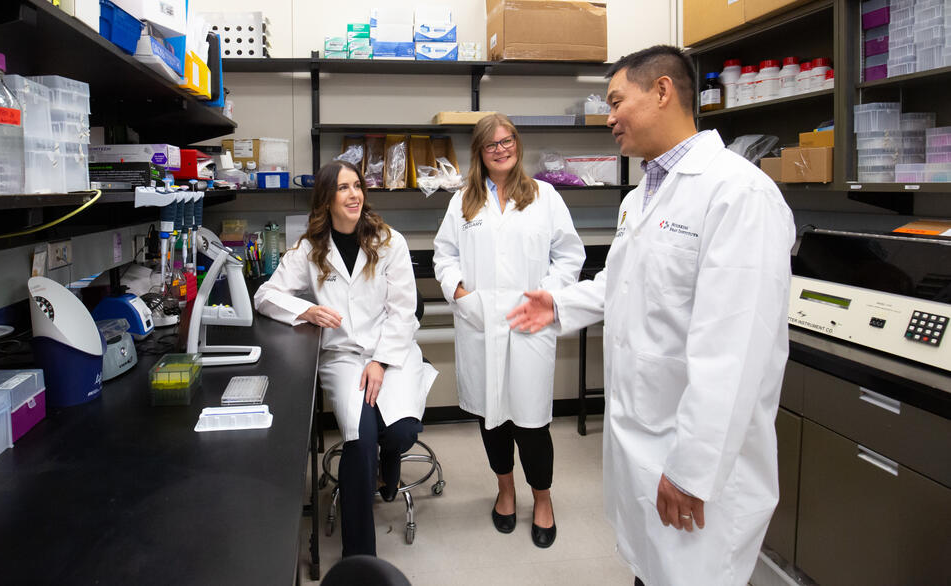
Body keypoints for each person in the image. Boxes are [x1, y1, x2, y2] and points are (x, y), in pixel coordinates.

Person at [506, 45, 795, 585]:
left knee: (691, 574)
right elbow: (627, 283)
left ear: (662, 91)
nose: (608, 116)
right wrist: (561, 303)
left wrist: (692, 471)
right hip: (646, 439)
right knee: (651, 570)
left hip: (695, 462)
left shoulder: (739, 194)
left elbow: (732, 353)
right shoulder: (643, 195)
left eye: (616, 101)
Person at [254, 160, 437, 558]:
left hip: (392, 350)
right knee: (360, 438)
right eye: (343, 188)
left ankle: (389, 460)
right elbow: (265, 296)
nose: (354, 194)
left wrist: (381, 361)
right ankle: (360, 558)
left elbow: (404, 311)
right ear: (326, 199)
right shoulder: (310, 249)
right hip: (343, 356)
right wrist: (305, 311)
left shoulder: (390, 241)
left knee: (401, 432)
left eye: (358, 186)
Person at [433, 113, 585, 548]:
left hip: (529, 324)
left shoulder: (546, 196)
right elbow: (444, 256)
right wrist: (460, 292)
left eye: (507, 141)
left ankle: (542, 499)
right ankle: (504, 490)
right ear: (480, 153)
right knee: (491, 416)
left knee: (532, 422)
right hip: (481, 323)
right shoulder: (463, 200)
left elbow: (569, 256)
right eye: (491, 144)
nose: (501, 149)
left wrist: (548, 296)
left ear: (517, 145)